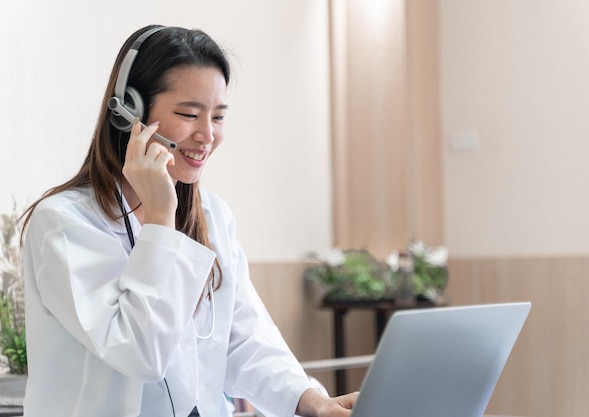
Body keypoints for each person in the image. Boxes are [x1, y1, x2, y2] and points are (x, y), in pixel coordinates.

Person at [20, 24, 358, 417]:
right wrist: (161, 219)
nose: (207, 135)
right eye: (189, 114)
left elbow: (245, 339)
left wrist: (314, 403)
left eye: (218, 116)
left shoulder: (212, 215)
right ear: (129, 111)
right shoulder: (64, 224)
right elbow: (140, 355)